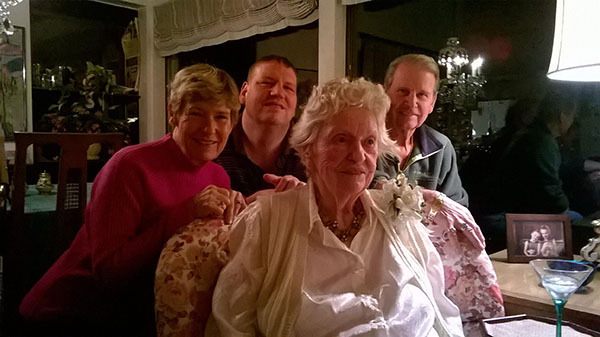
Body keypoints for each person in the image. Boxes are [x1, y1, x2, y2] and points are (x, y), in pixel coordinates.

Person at [211, 77, 465, 336]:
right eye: (341, 140)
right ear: (309, 149)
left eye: (369, 142)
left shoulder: (399, 216)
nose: (358, 155)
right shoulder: (267, 222)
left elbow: (443, 311)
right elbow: (232, 324)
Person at [19, 64, 245, 336]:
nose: (210, 128)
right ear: (173, 114)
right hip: (70, 314)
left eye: (221, 117)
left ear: (232, 123)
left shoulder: (219, 176)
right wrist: (185, 212)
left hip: (144, 313)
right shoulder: (128, 166)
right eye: (196, 113)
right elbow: (109, 275)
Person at [373, 54, 468, 207]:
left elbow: (456, 211)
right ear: (386, 93)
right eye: (403, 91)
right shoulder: (365, 141)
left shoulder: (441, 149)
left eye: (422, 95)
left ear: (432, 102)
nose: (411, 103)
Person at [214, 55, 306, 199]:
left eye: (288, 88)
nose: (277, 93)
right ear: (244, 92)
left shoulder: (312, 148)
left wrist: (305, 196)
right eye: (266, 83)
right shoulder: (215, 140)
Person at [487, 85, 580, 219]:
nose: (572, 121)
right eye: (571, 116)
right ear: (562, 116)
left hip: (513, 208)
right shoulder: (542, 141)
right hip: (509, 213)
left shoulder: (533, 135)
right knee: (578, 219)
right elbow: (549, 188)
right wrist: (563, 208)